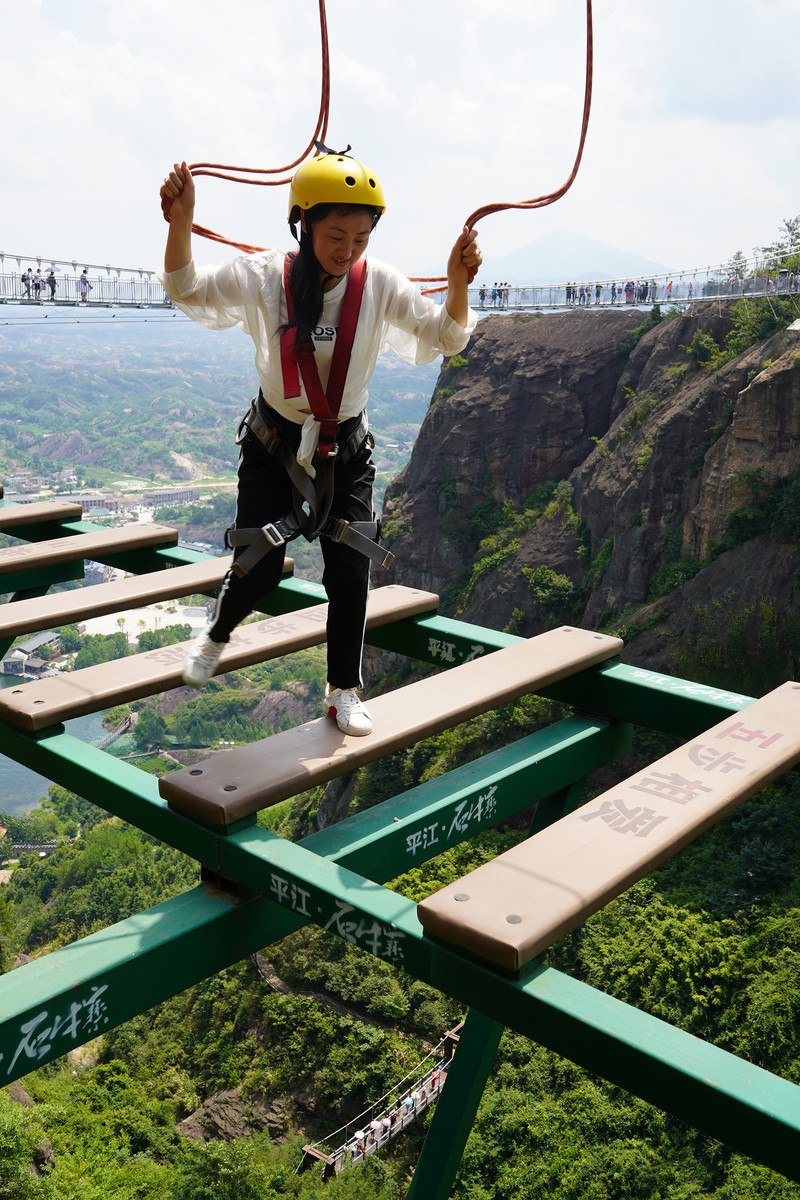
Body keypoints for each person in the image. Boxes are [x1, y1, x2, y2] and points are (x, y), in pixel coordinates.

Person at [158, 151, 480, 735]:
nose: (348, 249)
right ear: (302, 224)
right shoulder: (262, 279)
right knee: (259, 565)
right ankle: (218, 632)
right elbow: (188, 289)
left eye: (360, 236)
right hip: (272, 443)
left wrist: (457, 285)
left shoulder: (377, 284)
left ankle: (342, 689)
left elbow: (446, 336)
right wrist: (181, 223)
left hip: (345, 450)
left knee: (350, 567)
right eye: (336, 234)